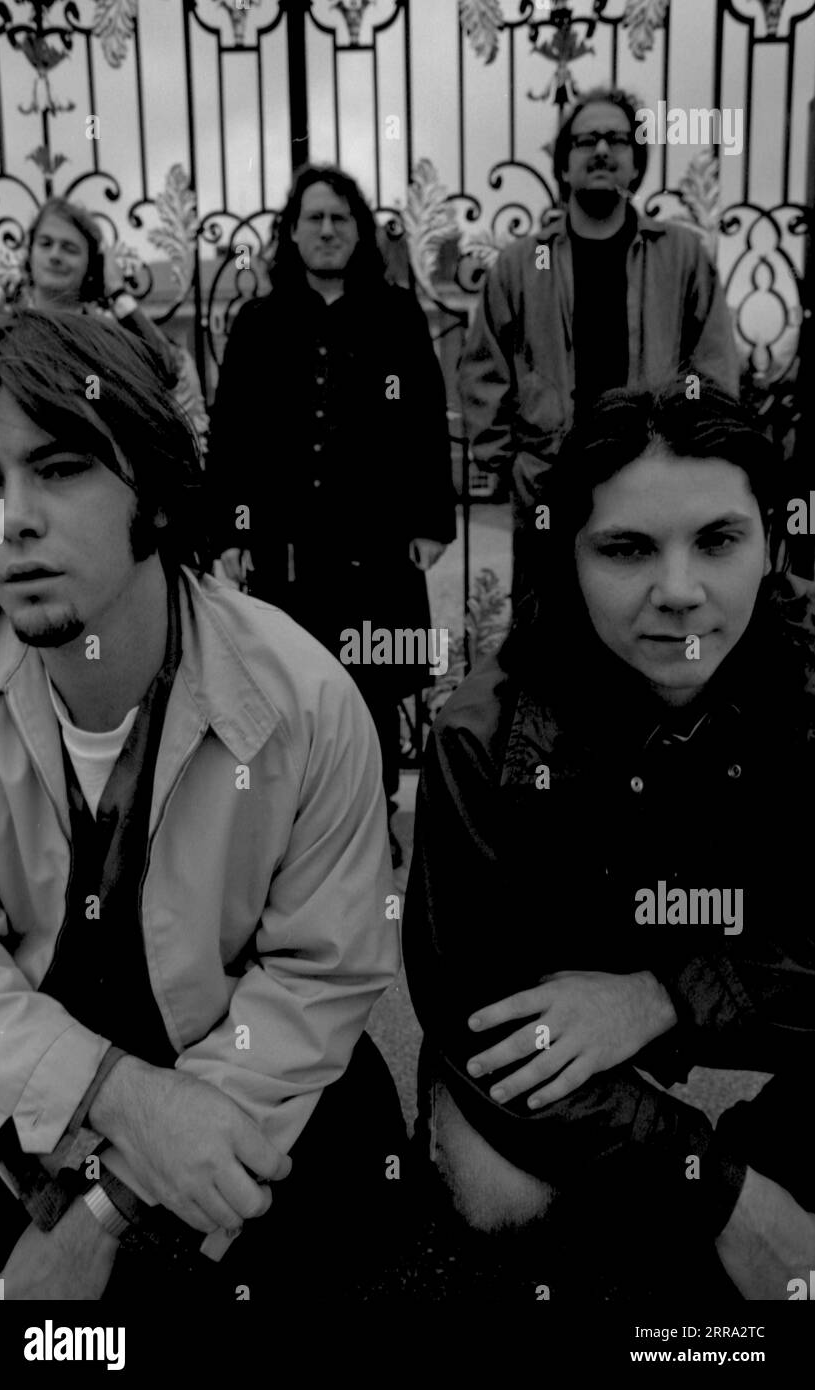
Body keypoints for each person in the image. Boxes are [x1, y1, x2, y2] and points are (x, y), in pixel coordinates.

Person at [0, 309, 404, 1302]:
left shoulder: (304, 701)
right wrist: (112, 1091)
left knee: (348, 1158)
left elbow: (320, 976)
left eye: (65, 465)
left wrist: (104, 1207)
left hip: (234, 1066)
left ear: (157, 493)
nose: (16, 519)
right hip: (29, 1072)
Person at [404, 384, 815, 1301]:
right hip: (556, 1029)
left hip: (728, 992)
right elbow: (477, 1015)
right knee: (498, 1190)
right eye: (627, 549)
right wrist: (724, 1196)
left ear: (772, 548)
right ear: (570, 561)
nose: (677, 592)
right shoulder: (485, 734)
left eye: (717, 540)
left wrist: (665, 998)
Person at [208, 164, 456, 865]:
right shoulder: (259, 322)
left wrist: (430, 522)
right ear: (291, 232)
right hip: (288, 553)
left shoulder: (395, 314)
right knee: (289, 696)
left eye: (339, 219)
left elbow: (424, 424)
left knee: (370, 695)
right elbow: (231, 433)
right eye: (312, 218)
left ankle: (372, 823)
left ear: (358, 232)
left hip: (374, 552)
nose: (325, 230)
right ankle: (300, 837)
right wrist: (232, 529)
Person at [458, 87, 741, 602]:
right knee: (546, 648)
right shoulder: (522, 264)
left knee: (641, 637)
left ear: (636, 165)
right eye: (587, 140)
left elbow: (714, 368)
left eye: (618, 139)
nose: (603, 150)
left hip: (652, 491)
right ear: (563, 166)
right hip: (550, 490)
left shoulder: (680, 255)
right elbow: (484, 371)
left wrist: (688, 458)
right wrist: (508, 467)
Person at [17, 196, 209, 454]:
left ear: (91, 264)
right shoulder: (7, 332)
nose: (55, 255)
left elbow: (168, 370)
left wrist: (118, 292)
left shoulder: (105, 336)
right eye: (45, 243)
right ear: (30, 253)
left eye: (70, 248)